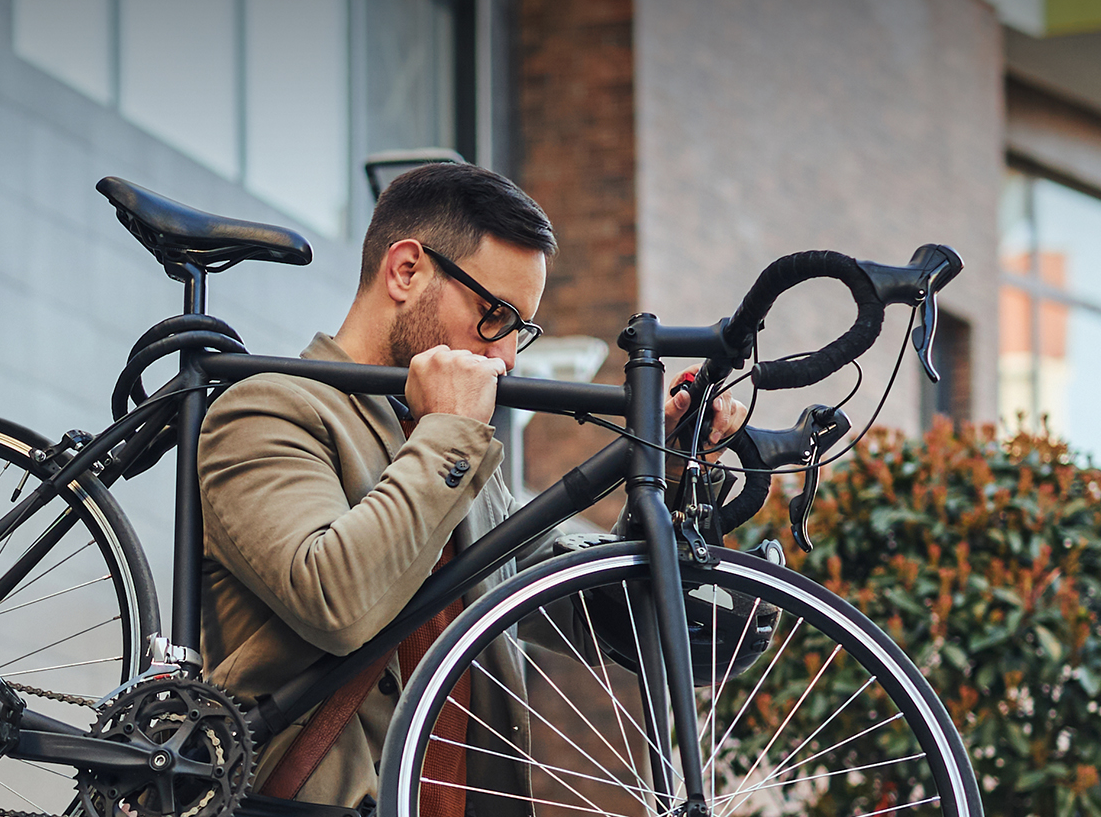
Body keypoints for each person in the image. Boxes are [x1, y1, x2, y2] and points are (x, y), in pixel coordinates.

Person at [197, 164, 740, 812]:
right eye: (495, 315)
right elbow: (334, 601)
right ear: (406, 272)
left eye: (522, 328)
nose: (508, 357)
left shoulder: (457, 453)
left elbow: (587, 611)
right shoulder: (269, 411)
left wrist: (674, 468)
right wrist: (450, 429)